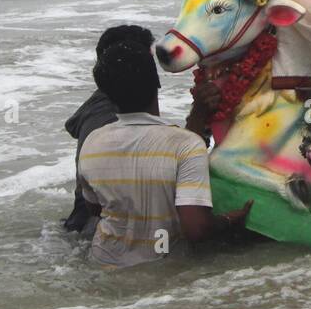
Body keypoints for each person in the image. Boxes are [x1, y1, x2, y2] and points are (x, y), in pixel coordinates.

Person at [77, 36, 250, 268]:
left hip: (101, 261)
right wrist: (229, 220)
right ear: (156, 83)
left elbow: (96, 208)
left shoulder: (92, 142)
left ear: (107, 94)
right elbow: (197, 229)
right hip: (161, 265)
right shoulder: (185, 145)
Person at [64, 25, 219, 235]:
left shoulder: (100, 133)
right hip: (92, 228)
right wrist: (226, 223)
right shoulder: (103, 119)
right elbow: (157, 188)